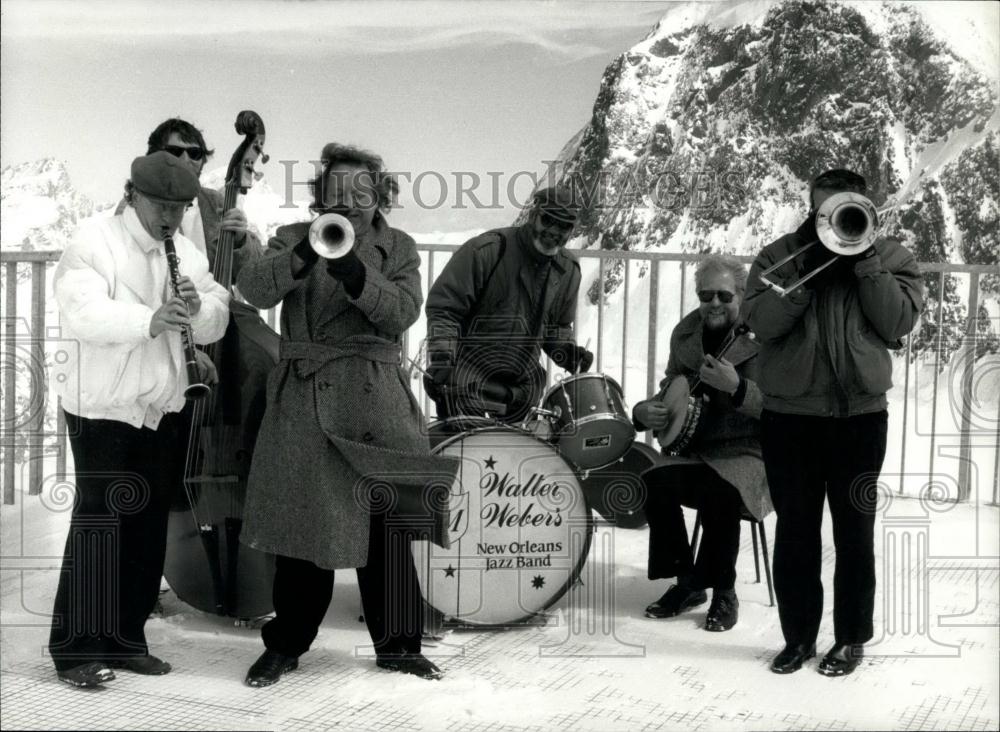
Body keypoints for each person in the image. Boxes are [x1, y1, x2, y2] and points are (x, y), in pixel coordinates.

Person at [236, 143, 458, 687]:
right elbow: (254, 286)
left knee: (387, 531)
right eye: (338, 194)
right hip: (307, 400)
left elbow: (401, 314)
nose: (350, 204)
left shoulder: (399, 248)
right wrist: (307, 256)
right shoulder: (292, 236)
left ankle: (400, 647)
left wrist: (355, 270)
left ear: (379, 196)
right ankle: (285, 645)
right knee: (303, 534)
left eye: (361, 193)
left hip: (376, 399)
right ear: (321, 198)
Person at [49, 151, 229, 688]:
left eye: (179, 207)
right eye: (160, 205)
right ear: (133, 195)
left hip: (160, 407)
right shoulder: (93, 240)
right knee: (100, 524)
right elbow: (81, 312)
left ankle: (127, 640)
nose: (170, 217)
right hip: (101, 406)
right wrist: (147, 320)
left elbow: (218, 313)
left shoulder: (187, 251)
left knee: (148, 525)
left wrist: (200, 309)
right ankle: (76, 650)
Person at [742, 168, 923, 677]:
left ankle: (849, 640)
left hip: (860, 419)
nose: (835, 220)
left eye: (847, 209)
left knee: (854, 533)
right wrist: (806, 276)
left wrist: (865, 265)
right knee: (795, 532)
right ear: (812, 207)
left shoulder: (890, 257)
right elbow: (760, 324)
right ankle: (798, 638)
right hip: (790, 418)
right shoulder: (781, 256)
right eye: (827, 210)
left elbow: (899, 323)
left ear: (865, 206)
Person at [632, 255, 771, 633]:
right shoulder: (686, 333)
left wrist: (738, 388)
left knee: (720, 489)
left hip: (751, 453)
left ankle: (723, 589)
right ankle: (686, 581)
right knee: (652, 481)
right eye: (705, 294)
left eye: (724, 296)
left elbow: (784, 406)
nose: (714, 303)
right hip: (697, 449)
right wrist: (649, 410)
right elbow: (671, 387)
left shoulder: (766, 334)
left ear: (741, 295)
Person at [423, 185, 594, 424]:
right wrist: (443, 357)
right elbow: (445, 310)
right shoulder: (487, 251)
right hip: (466, 382)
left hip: (519, 391)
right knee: (468, 456)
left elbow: (557, 326)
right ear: (534, 215)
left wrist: (566, 352)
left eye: (564, 226)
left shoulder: (568, 271)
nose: (554, 231)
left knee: (509, 457)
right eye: (548, 220)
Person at [115, 117, 261, 278]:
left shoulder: (216, 203)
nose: (185, 160)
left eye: (194, 154)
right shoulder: (134, 205)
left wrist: (240, 241)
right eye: (174, 152)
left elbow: (252, 277)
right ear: (154, 156)